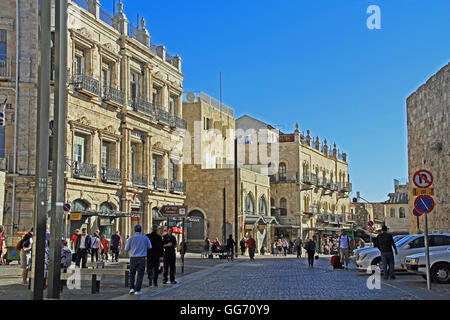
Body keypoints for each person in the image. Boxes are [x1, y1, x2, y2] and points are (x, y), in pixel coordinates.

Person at [125, 225, 152, 295]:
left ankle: (131, 288)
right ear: (141, 230)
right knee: (140, 274)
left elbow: (126, 249)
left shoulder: (131, 238)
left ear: (134, 230)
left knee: (132, 273)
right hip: (142, 258)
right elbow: (150, 247)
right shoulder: (145, 238)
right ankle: (137, 289)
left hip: (133, 258)